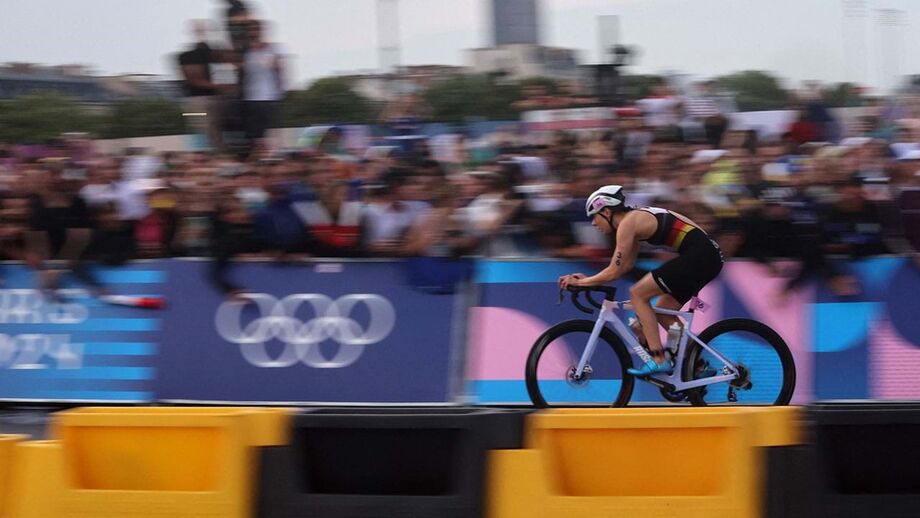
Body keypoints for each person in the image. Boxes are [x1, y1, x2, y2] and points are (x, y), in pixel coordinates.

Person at [558, 185, 724, 376]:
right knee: (663, 311)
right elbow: (624, 267)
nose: (594, 223)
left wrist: (581, 283)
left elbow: (613, 271)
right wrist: (589, 280)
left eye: (594, 216)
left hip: (700, 256)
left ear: (606, 212)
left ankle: (658, 359)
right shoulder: (634, 221)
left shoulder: (628, 224)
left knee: (637, 294)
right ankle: (698, 365)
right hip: (706, 256)